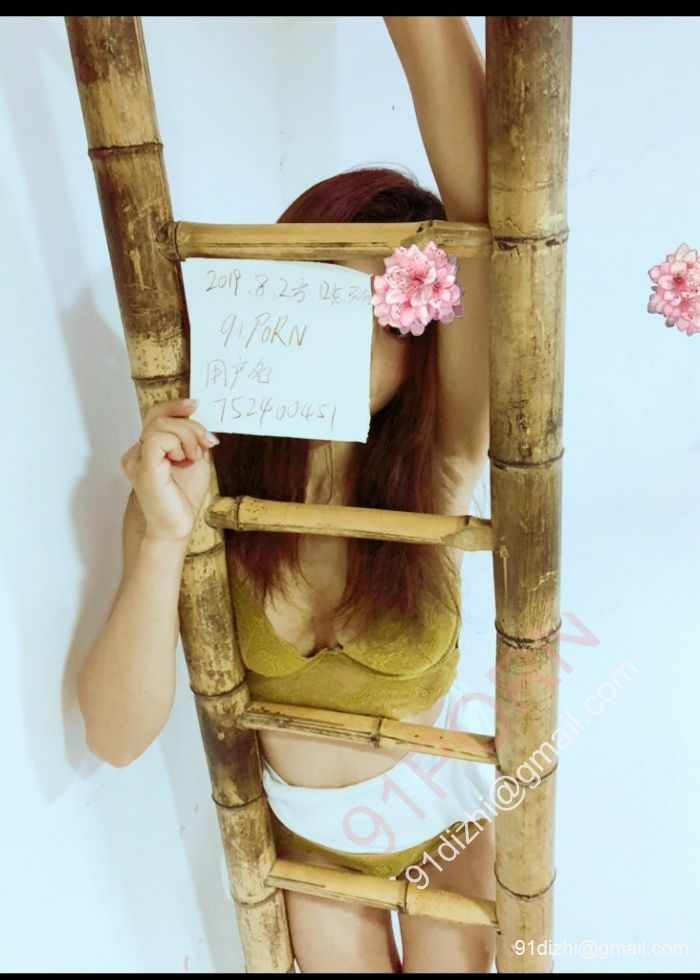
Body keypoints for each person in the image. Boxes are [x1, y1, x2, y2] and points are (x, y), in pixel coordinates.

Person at [77, 16, 494, 974]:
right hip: (311, 850)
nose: (343, 332)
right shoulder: (202, 484)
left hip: (445, 825)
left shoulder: (438, 472)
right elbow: (114, 737)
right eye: (319, 293)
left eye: (379, 310)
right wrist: (159, 541)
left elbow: (487, 214)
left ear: (421, 340)